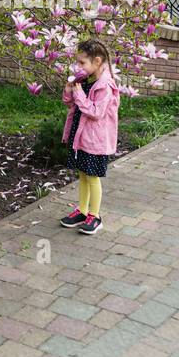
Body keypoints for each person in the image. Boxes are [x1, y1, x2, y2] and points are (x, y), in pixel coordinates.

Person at [58, 39, 120, 235]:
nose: (79, 66)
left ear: (98, 61)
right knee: (83, 174)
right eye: (78, 62)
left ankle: (95, 215)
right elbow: (71, 104)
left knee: (92, 177)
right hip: (80, 136)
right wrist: (69, 91)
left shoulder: (105, 85)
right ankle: (83, 211)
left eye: (82, 62)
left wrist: (79, 96)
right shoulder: (85, 80)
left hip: (95, 140)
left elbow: (96, 112)